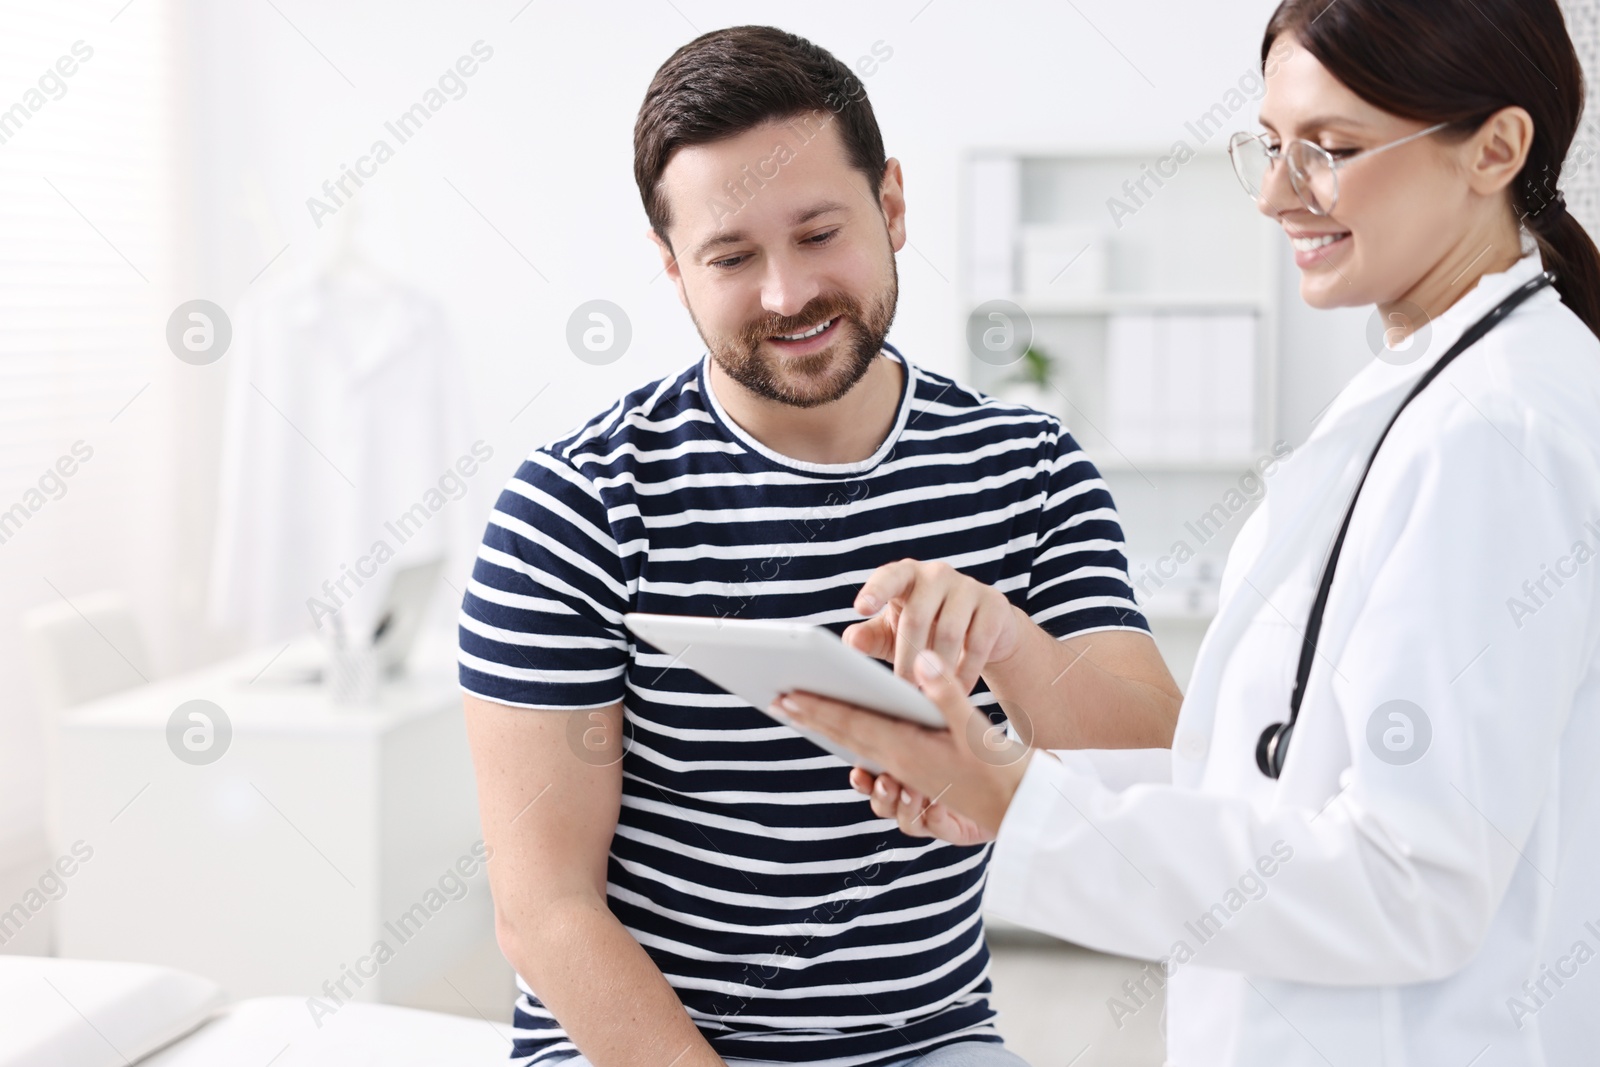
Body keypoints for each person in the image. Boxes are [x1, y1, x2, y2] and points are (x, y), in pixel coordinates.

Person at [778, 1, 1600, 1064]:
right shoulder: (1431, 390)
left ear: (1496, 148)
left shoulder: (1495, 428)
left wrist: (1023, 802)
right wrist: (1002, 778)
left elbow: (1413, 880)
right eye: (1268, 146)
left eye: (1330, 150)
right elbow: (1269, 781)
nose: (1273, 194)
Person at [457, 25, 1182, 1067]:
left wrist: (1010, 642)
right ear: (672, 268)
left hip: (924, 1040)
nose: (787, 294)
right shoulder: (575, 505)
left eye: (817, 232)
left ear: (891, 204)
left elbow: (1156, 767)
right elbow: (544, 908)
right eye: (731, 256)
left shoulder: (1027, 467)